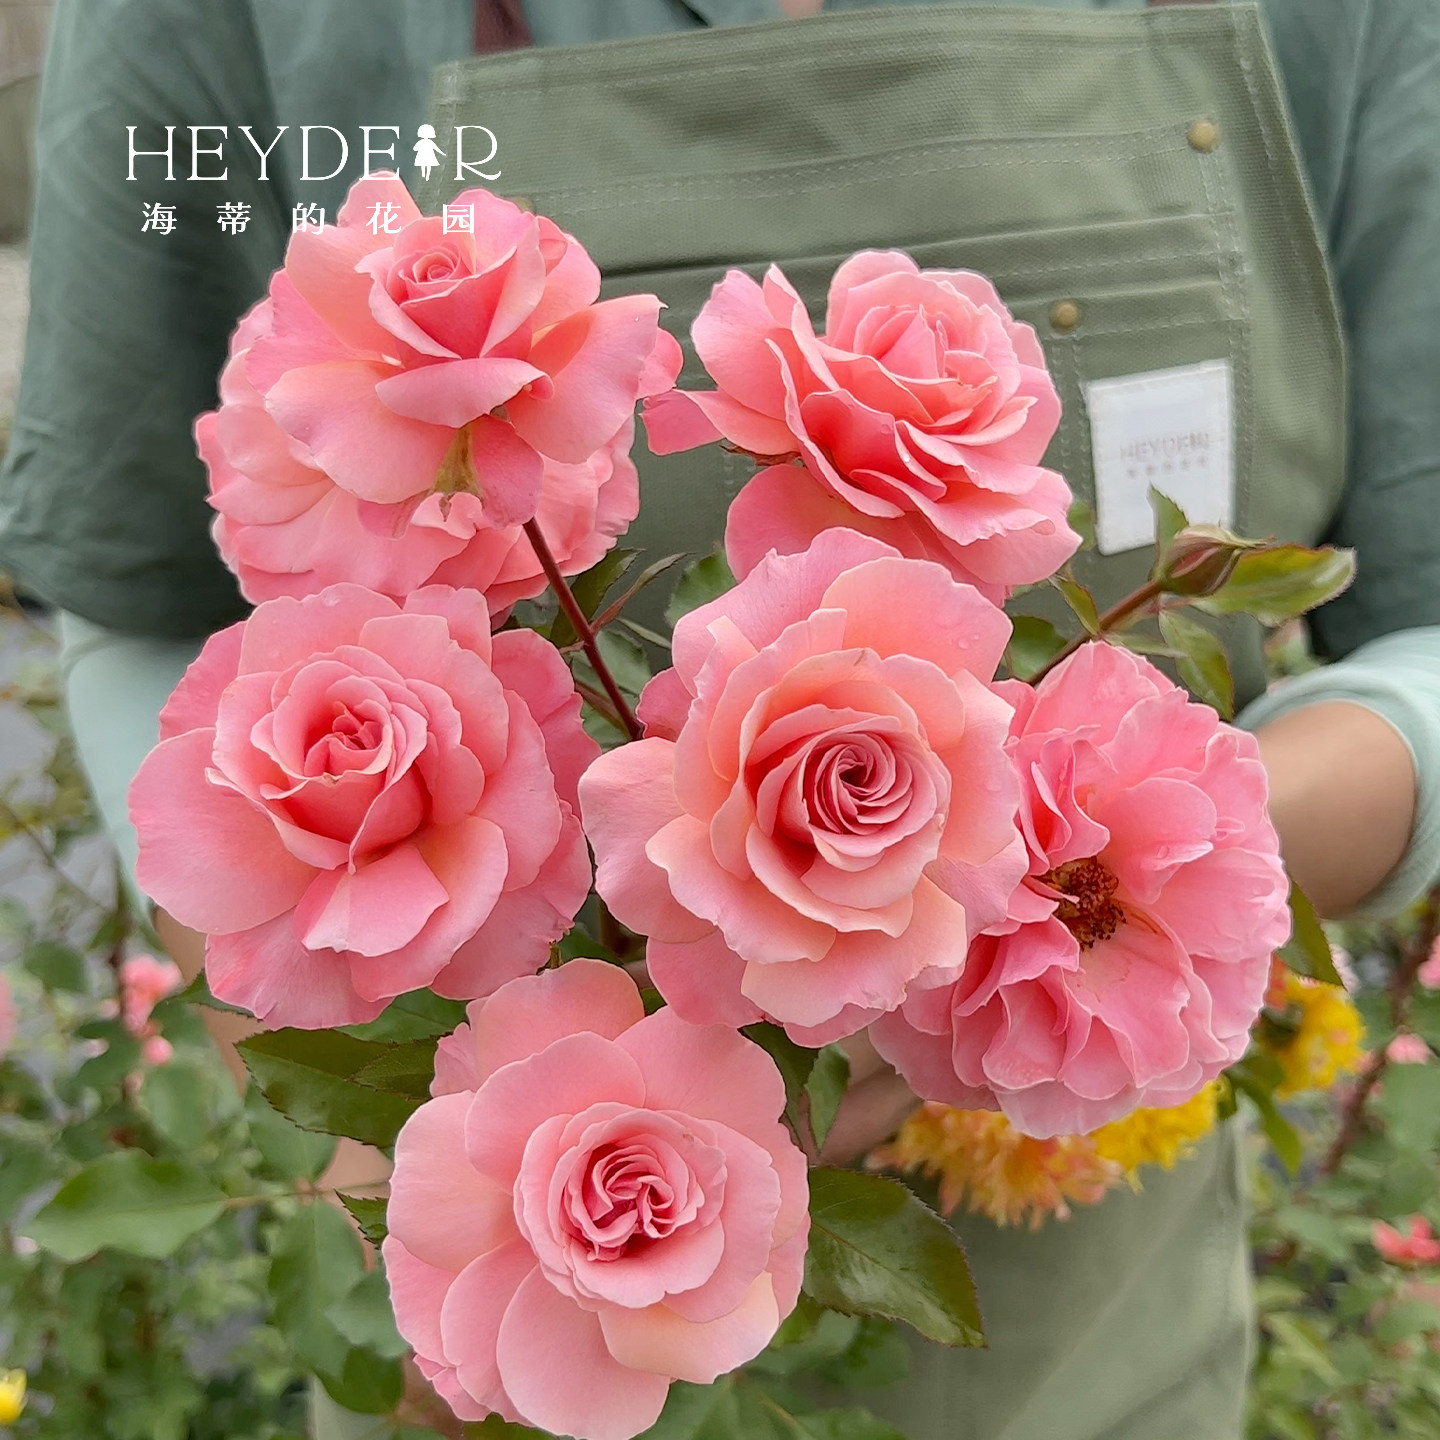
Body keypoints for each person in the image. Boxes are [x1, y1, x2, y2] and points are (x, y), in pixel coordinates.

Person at [2, 2, 1438, 1438]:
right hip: (515, 1281)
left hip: (1090, 1354)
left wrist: (1100, 896)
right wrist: (373, 1123)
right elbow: (136, 592)